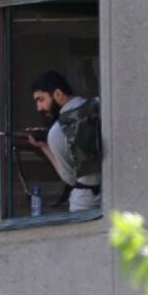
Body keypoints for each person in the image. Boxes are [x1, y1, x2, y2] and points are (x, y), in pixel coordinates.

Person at [24, 70, 102, 213]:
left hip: (85, 204)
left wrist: (44, 147)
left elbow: (69, 179)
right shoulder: (101, 106)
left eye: (41, 100)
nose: (38, 108)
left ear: (58, 94)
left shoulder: (57, 132)